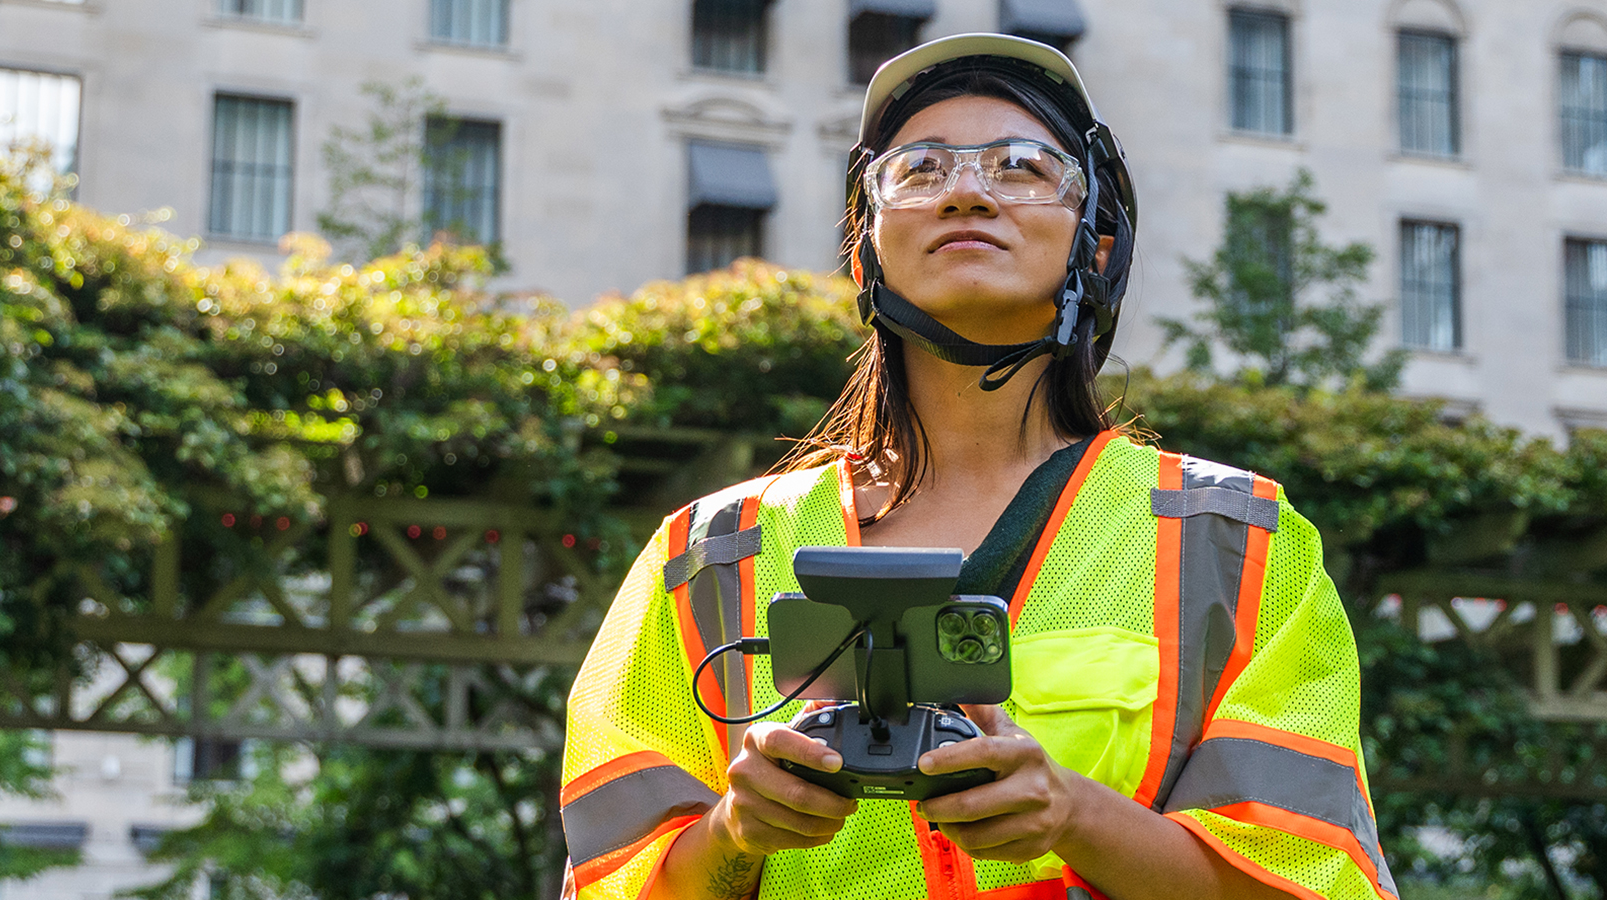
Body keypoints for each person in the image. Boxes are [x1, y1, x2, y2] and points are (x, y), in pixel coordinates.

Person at [560, 34, 1394, 900]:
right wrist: (734, 833)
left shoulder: (1239, 545)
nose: (965, 192)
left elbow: (1307, 881)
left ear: (1097, 248)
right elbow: (609, 882)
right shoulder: (704, 558)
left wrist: (1071, 815)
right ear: (865, 253)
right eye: (918, 171)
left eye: (1024, 168)